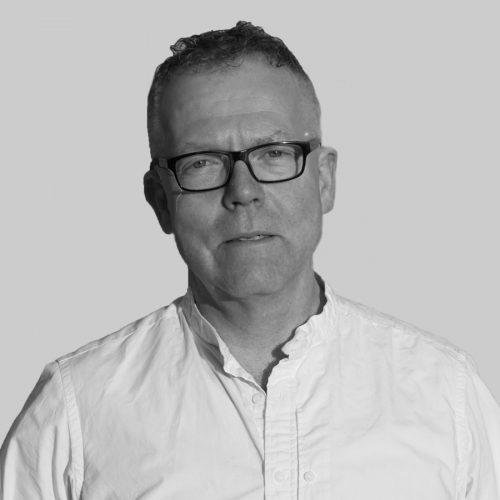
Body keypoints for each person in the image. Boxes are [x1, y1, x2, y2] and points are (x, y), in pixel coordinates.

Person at [1, 20, 499, 500]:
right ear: (159, 200)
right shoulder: (75, 411)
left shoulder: (445, 393)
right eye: (202, 163)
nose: (243, 191)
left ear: (325, 180)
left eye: (274, 154)